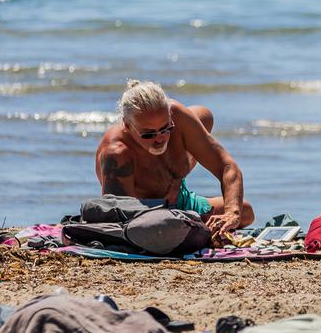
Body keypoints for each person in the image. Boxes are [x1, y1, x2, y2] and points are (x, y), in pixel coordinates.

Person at [95, 80, 253, 242]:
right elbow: (118, 221)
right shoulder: (117, 153)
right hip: (146, 216)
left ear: (170, 115)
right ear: (127, 126)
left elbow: (227, 166)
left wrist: (231, 214)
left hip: (180, 199)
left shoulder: (179, 117)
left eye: (165, 129)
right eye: (148, 134)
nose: (160, 139)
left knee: (244, 211)